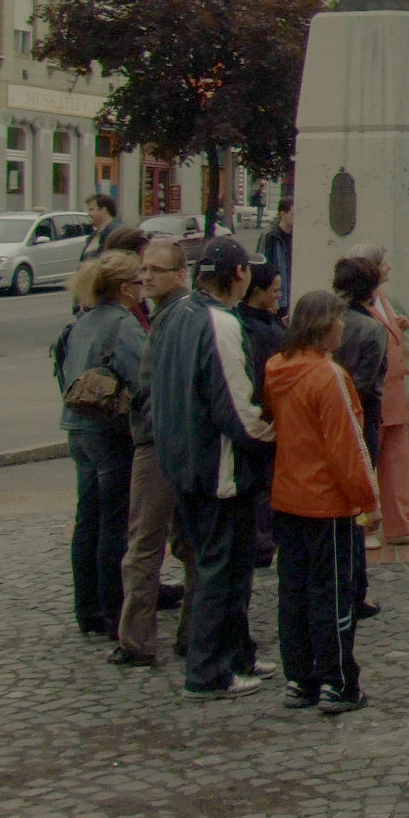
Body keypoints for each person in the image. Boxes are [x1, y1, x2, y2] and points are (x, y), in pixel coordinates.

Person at [150, 236, 276, 700]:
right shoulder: (219, 322)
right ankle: (208, 672)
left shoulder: (176, 314)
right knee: (220, 571)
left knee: (227, 567)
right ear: (239, 275)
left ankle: (236, 654)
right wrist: (274, 438)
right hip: (218, 468)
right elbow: (237, 409)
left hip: (184, 463)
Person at [264, 290, 378, 716]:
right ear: (323, 327)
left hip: (289, 494)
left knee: (293, 592)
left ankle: (300, 677)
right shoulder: (328, 376)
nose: (344, 326)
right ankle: (337, 681)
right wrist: (367, 500)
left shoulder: (278, 368)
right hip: (327, 501)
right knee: (332, 594)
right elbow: (346, 445)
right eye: (338, 320)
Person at [111, 240, 194, 667]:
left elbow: (164, 387)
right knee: (182, 542)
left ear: (180, 275)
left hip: (162, 444)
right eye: (143, 269)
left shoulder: (176, 316)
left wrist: (150, 420)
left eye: (155, 270)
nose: (145, 277)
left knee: (146, 543)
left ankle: (138, 641)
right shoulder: (167, 314)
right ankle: (188, 633)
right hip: (169, 440)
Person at [58, 251, 147, 639]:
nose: (144, 287)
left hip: (77, 427)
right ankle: (114, 613)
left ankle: (88, 609)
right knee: (114, 523)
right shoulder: (124, 324)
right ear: (125, 289)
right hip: (109, 431)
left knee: (87, 519)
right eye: (139, 281)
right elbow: (144, 377)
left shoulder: (84, 322)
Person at [344, 243, 409, 546]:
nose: (389, 267)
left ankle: (400, 524)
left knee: (397, 460)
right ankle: (363, 525)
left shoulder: (382, 299)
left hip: (393, 392)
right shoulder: (353, 307)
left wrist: (399, 329)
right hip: (372, 393)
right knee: (365, 460)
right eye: (383, 263)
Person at [334, 257, 388, 616]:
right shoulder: (370, 329)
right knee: (358, 505)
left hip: (332, 418)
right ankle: (356, 590)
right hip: (360, 418)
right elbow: (367, 384)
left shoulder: (326, 318)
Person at [236, 262, 287, 569]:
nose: (279, 295)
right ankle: (262, 544)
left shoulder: (262, 322)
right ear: (257, 291)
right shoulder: (257, 329)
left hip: (264, 411)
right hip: (264, 412)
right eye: (275, 290)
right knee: (262, 482)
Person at [257, 197, 294, 310]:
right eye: (293, 214)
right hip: (276, 299)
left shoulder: (299, 236)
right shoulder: (269, 236)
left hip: (293, 297)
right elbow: (261, 269)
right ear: (283, 214)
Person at [79, 193, 118, 263]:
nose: (88, 214)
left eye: (91, 210)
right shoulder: (93, 236)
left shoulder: (116, 234)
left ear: (104, 210)